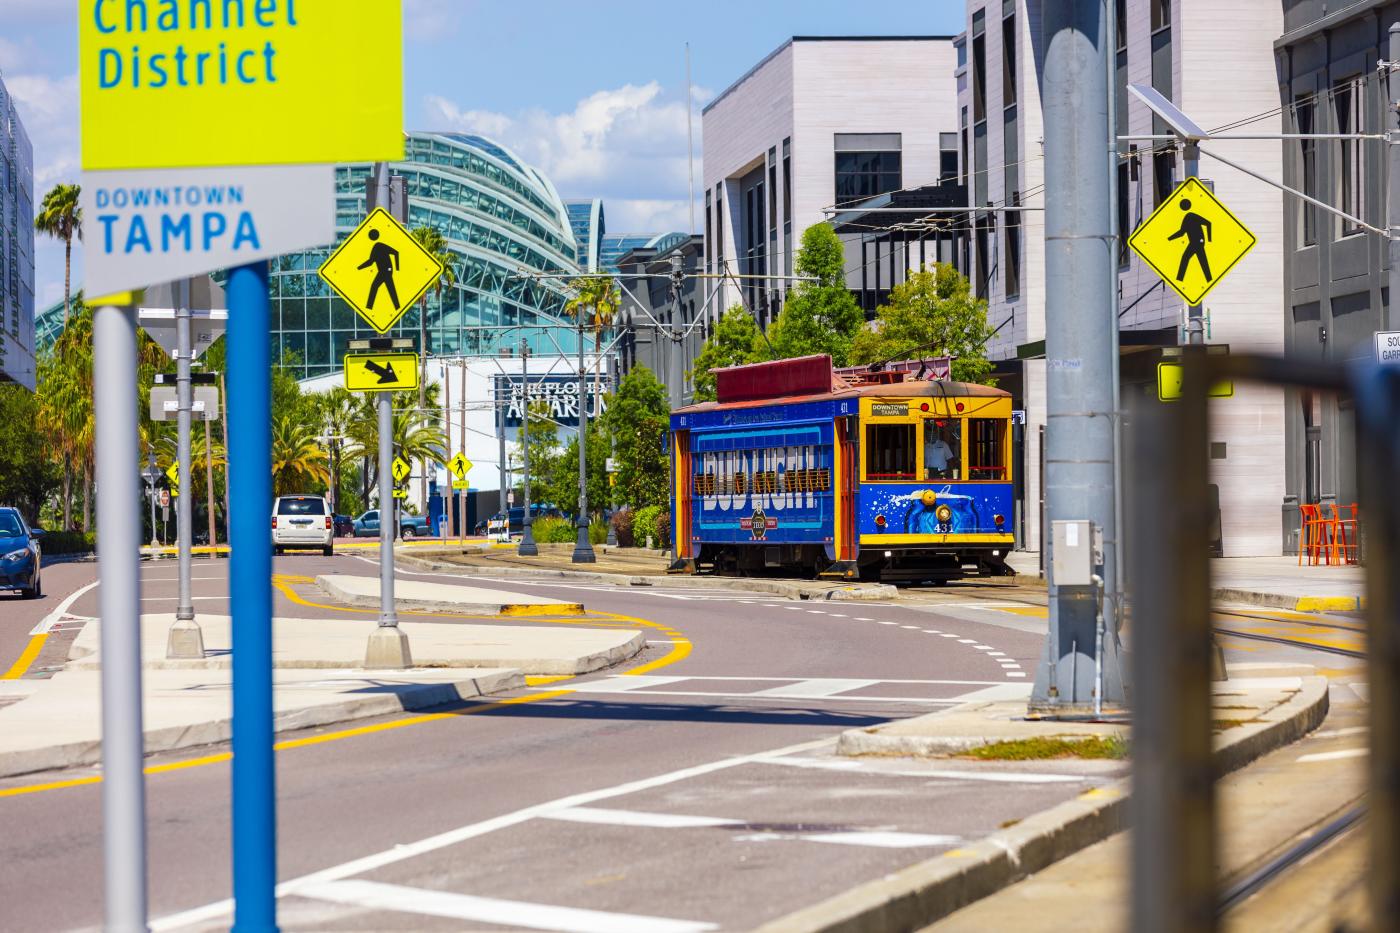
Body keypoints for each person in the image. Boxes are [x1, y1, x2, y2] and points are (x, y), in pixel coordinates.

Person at [358, 228, 401, 310]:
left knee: (377, 286)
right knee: (388, 289)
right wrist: (359, 268)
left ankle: (369, 306)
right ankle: (396, 307)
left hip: (386, 271)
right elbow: (371, 262)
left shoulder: (379, 246)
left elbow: (396, 253)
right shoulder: (376, 247)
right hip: (383, 271)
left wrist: (397, 268)